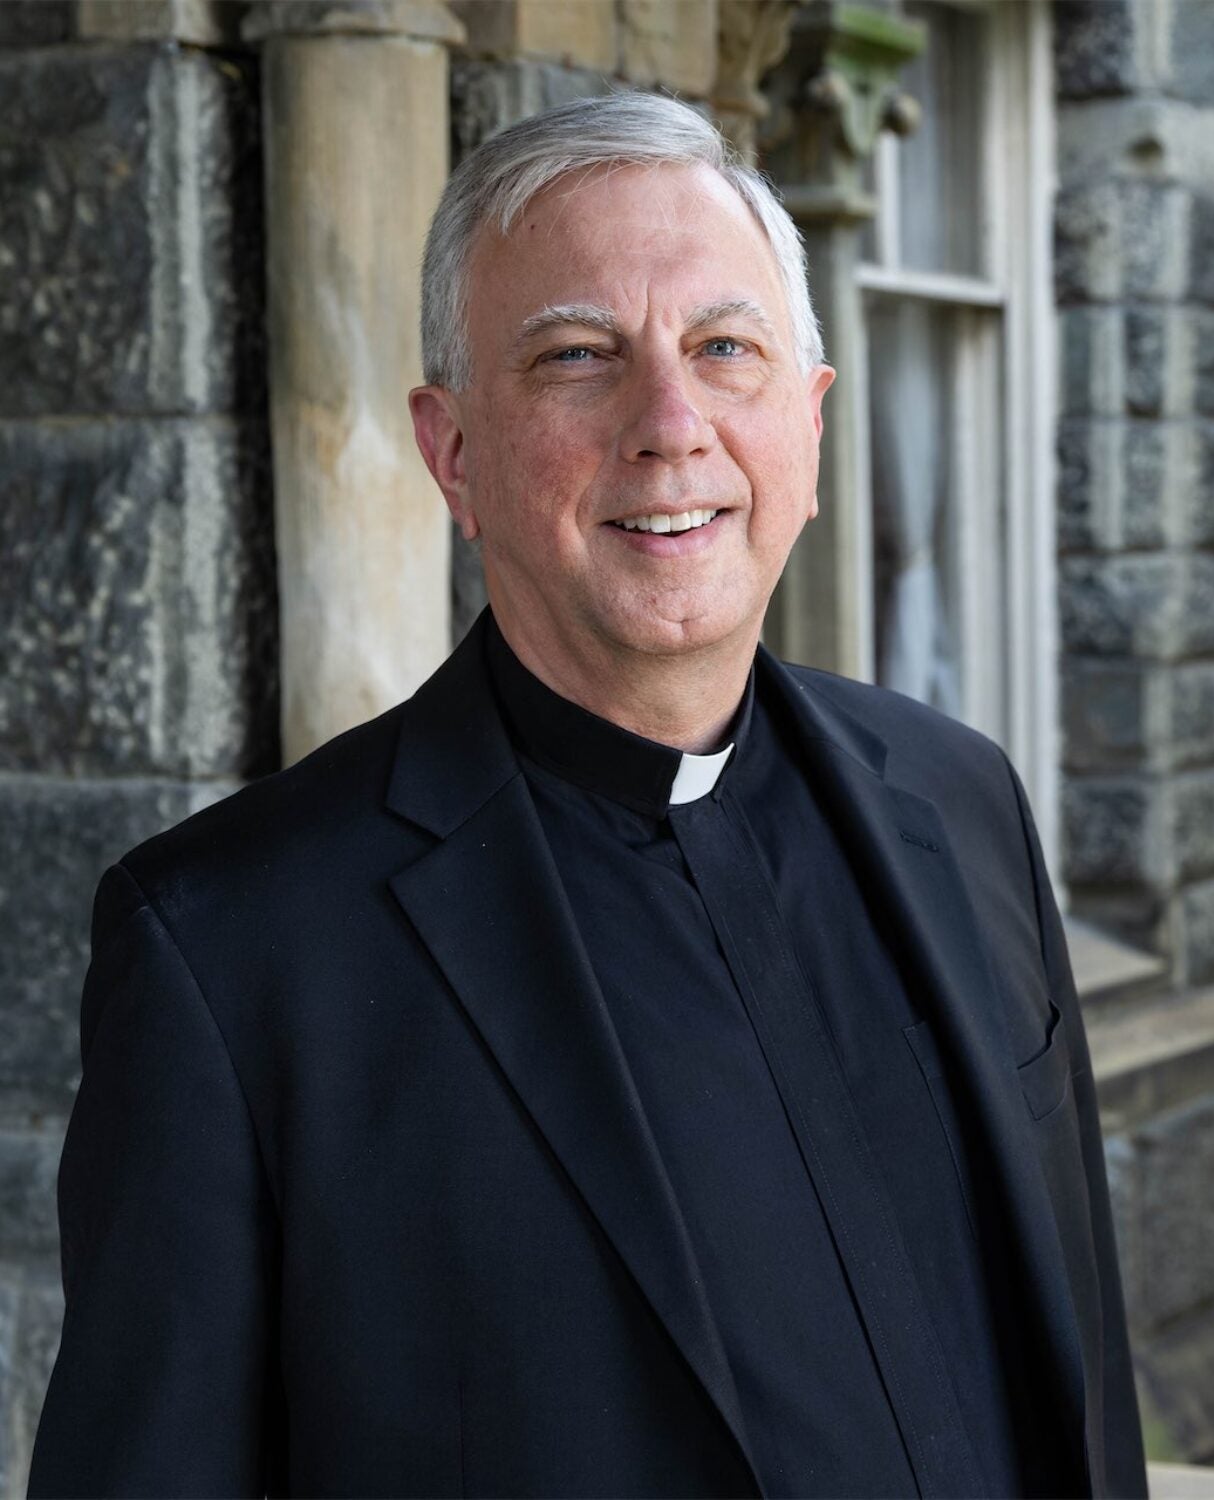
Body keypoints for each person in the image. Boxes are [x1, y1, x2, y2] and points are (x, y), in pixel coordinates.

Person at [29, 91, 1145, 1499]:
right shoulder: (230, 953)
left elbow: (1080, 1381)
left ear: (807, 427)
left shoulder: (963, 799)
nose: (670, 425)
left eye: (724, 350)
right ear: (453, 455)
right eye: (577, 357)